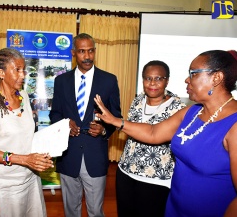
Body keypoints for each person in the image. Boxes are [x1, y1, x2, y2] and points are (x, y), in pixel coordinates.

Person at [94, 50, 237, 217]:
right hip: (175, 207)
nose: (187, 79)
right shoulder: (192, 112)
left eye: (193, 74)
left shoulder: (233, 124)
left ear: (216, 78)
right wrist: (115, 121)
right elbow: (154, 132)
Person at [49, 33, 122, 217]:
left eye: (90, 51)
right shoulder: (61, 81)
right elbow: (55, 113)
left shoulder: (109, 80)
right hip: (69, 155)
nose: (87, 56)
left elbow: (116, 117)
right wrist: (65, 124)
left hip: (95, 156)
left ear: (95, 51)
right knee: (70, 210)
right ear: (74, 53)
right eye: (82, 51)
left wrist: (104, 129)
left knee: (96, 211)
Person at [0, 48, 54, 217]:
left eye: (23, 69)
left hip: (30, 178)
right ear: (1, 73)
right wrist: (23, 159)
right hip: (6, 186)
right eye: (17, 70)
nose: (23, 75)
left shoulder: (24, 97)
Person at [116, 60, 186, 217]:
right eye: (148, 78)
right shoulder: (137, 101)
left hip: (156, 178)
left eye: (159, 78)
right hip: (126, 172)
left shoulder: (178, 108)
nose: (152, 83)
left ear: (167, 80)